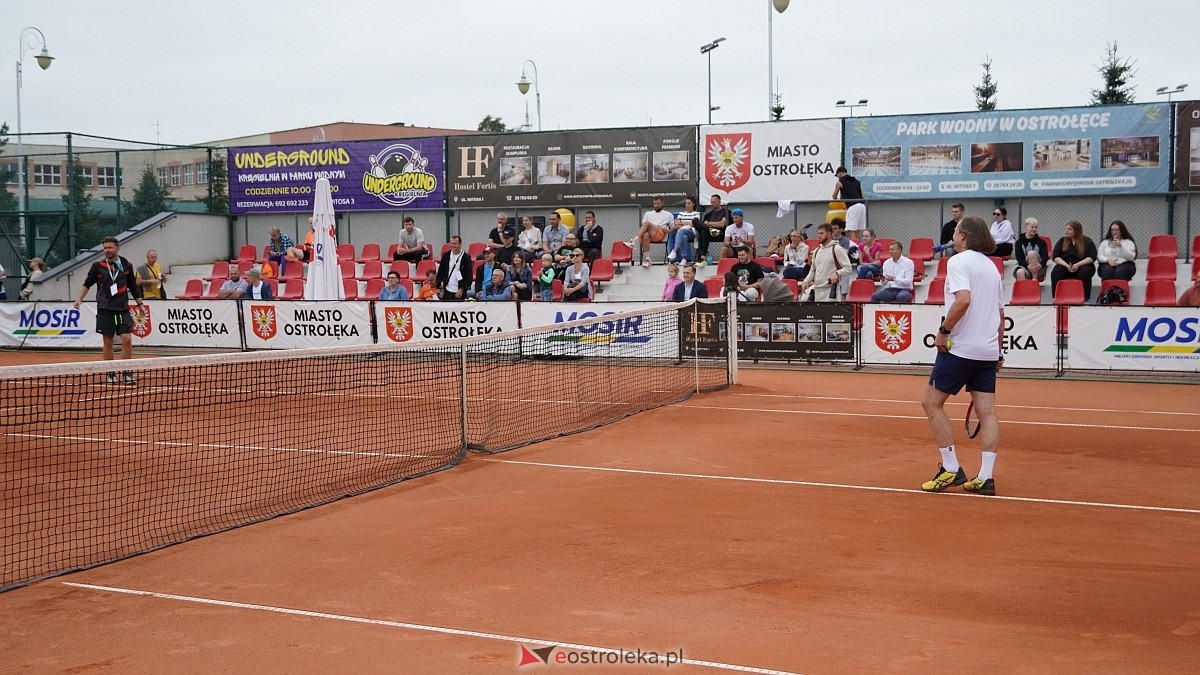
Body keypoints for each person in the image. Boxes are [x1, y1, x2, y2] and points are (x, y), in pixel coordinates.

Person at [920, 216, 1005, 497]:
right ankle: (985, 477)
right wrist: (999, 350)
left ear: (964, 236)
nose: (952, 237)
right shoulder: (993, 268)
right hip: (987, 350)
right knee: (988, 412)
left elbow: (963, 300)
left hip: (961, 348)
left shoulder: (958, 262)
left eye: (955, 232)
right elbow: (1000, 315)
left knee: (931, 403)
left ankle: (951, 469)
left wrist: (943, 331)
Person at [73, 236, 145, 384]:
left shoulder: (127, 265)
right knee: (108, 342)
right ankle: (110, 372)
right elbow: (87, 284)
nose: (107, 250)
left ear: (117, 248)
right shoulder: (97, 266)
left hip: (122, 309)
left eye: (110, 248)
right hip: (105, 309)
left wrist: (140, 304)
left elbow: (133, 285)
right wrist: (79, 299)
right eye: (105, 248)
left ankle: (126, 371)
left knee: (127, 339)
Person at [801, 223, 852, 302]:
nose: (819, 235)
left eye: (821, 233)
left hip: (831, 291)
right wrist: (806, 281)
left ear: (829, 234)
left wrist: (837, 273)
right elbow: (813, 270)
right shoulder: (816, 251)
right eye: (818, 233)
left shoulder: (837, 249)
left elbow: (848, 268)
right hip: (817, 290)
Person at [1050, 220, 1098, 301]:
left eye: (1069, 229)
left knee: (1084, 272)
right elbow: (1055, 256)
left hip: (1082, 265)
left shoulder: (1087, 241)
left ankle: (1085, 297)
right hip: (1066, 265)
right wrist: (1066, 265)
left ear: (1076, 230)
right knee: (1056, 272)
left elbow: (1092, 257)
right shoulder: (1062, 240)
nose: (1066, 231)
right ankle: (1056, 296)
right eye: (1066, 229)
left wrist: (1078, 265)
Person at [628, 197, 674, 267]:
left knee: (647, 223)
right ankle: (647, 259)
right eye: (655, 204)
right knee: (645, 235)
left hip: (660, 233)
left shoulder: (668, 214)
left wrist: (667, 230)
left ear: (662, 203)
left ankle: (634, 241)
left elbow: (673, 228)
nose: (656, 205)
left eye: (658, 204)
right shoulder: (648, 213)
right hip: (649, 235)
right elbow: (644, 227)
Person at [832, 166, 866, 241]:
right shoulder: (857, 181)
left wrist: (839, 199)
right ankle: (859, 247)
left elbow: (834, 196)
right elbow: (863, 195)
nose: (838, 177)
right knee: (858, 230)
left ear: (839, 173)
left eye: (837, 175)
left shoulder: (840, 181)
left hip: (852, 206)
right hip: (861, 206)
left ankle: (854, 249)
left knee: (851, 230)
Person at [436, 235, 473, 301]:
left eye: (455, 243)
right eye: (451, 243)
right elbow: (440, 272)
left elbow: (469, 276)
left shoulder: (466, 257)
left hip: (459, 291)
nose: (452, 245)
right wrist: (438, 286)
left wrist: (462, 289)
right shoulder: (446, 255)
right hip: (447, 289)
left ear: (460, 244)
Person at [698, 194, 731, 266]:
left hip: (721, 234)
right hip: (710, 233)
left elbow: (722, 224)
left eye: (714, 202)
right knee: (698, 224)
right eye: (711, 202)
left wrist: (709, 223)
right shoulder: (708, 214)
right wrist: (709, 226)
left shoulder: (726, 212)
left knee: (704, 229)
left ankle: (703, 255)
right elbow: (704, 225)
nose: (712, 204)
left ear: (719, 202)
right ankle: (703, 256)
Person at [1013, 217, 1049, 282]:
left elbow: (1045, 256)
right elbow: (1019, 258)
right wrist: (1027, 266)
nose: (1034, 229)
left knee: (1031, 253)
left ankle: (1034, 280)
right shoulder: (1019, 243)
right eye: (1032, 227)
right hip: (1026, 267)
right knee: (1019, 272)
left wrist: (1040, 265)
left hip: (1039, 269)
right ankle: (1025, 291)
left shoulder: (1041, 242)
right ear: (1026, 227)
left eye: (1036, 227)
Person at [667, 197, 701, 263]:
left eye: (689, 203)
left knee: (681, 231)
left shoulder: (697, 213)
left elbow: (695, 224)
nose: (687, 205)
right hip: (683, 232)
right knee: (684, 237)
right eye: (686, 203)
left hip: (692, 232)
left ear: (693, 204)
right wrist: (688, 223)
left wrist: (682, 223)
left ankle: (674, 251)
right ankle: (684, 259)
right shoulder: (681, 214)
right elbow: (677, 224)